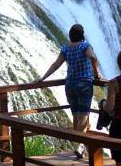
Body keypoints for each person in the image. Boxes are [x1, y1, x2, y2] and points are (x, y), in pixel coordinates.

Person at [35, 24, 102, 158]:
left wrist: (42, 78)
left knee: (76, 116)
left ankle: (80, 147)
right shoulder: (85, 46)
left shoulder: (66, 48)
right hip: (83, 84)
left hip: (70, 85)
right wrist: (96, 74)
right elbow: (93, 57)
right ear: (82, 35)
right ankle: (81, 145)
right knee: (83, 116)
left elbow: (56, 64)